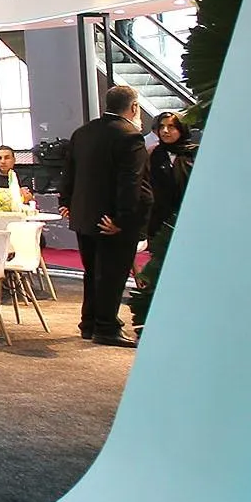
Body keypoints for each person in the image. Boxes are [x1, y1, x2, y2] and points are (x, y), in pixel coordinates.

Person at [60, 84, 152, 348]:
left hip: (84, 217)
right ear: (134, 107)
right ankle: (106, 327)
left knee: (92, 273)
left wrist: (66, 202)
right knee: (111, 275)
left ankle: (89, 323)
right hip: (111, 221)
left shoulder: (83, 132)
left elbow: (69, 173)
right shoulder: (130, 136)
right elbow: (130, 183)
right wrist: (122, 220)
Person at [146, 112, 197, 238]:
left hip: (187, 218)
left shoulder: (194, 153)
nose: (165, 131)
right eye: (161, 126)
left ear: (181, 129)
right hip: (158, 222)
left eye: (171, 126)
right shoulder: (154, 153)